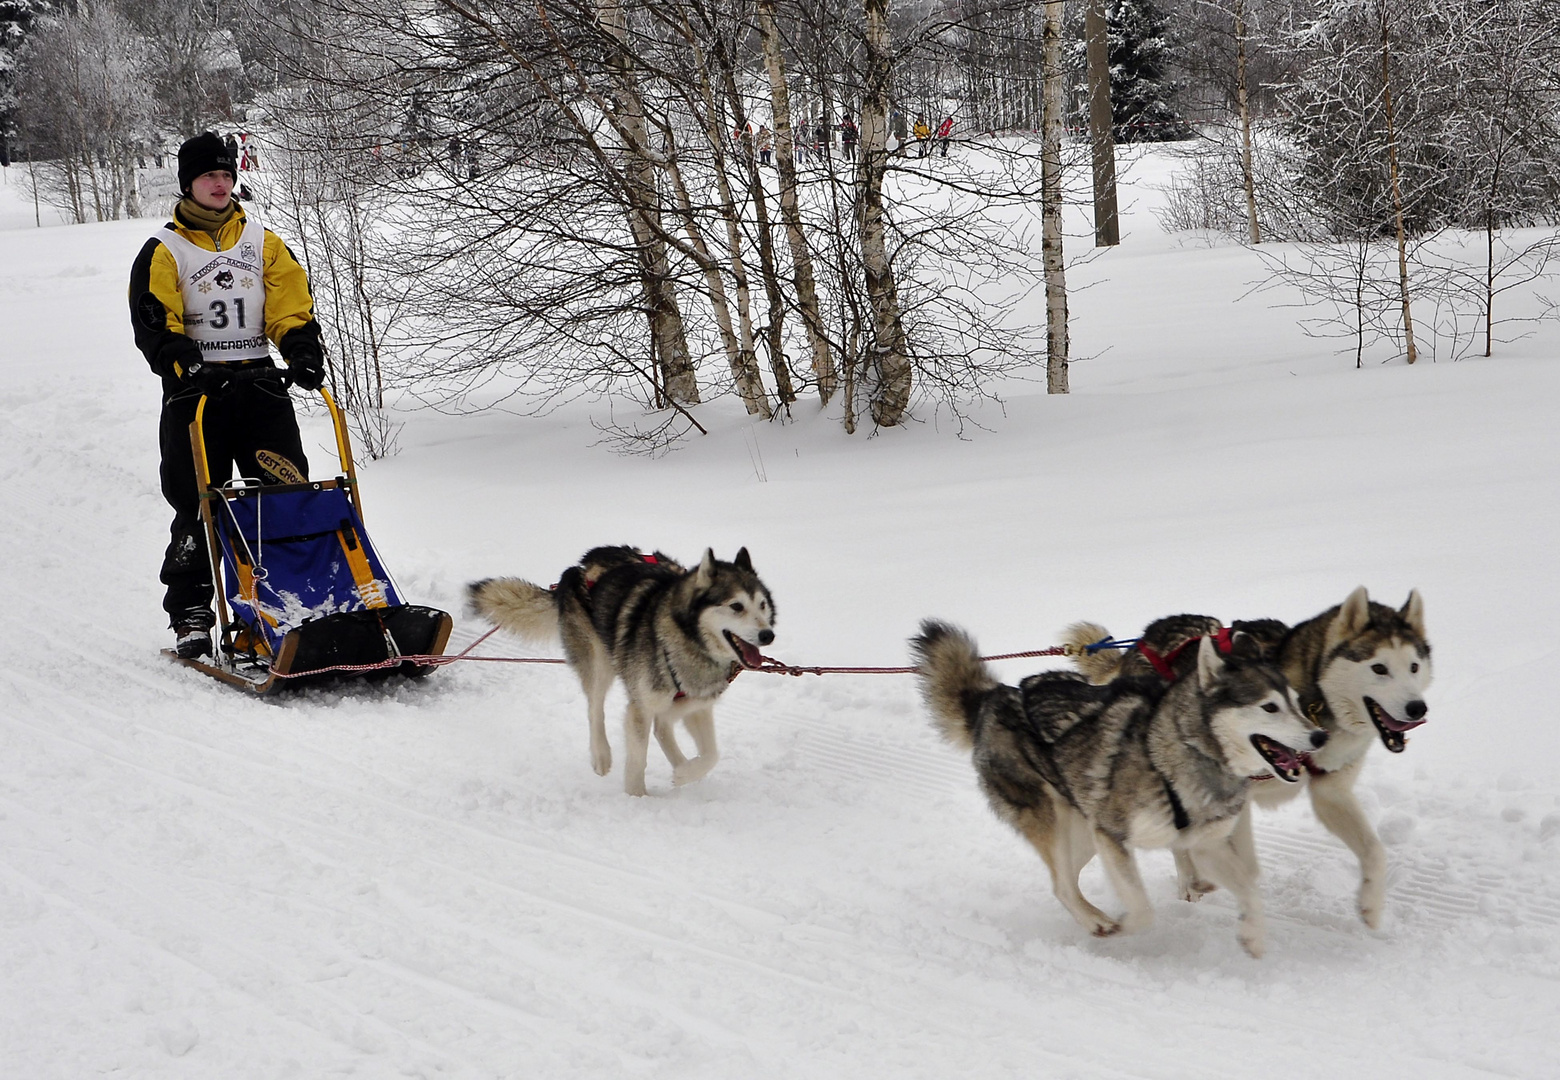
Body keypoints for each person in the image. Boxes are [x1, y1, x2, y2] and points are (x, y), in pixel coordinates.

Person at [128, 132, 327, 660]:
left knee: (285, 492)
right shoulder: (164, 250)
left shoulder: (262, 241)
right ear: (188, 183)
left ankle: (294, 600)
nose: (220, 184)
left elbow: (289, 302)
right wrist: (184, 362)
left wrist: (301, 349)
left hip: (259, 385)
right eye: (208, 176)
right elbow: (155, 321)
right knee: (196, 504)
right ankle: (192, 610)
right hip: (196, 395)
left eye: (226, 175)